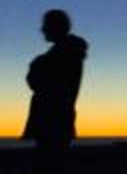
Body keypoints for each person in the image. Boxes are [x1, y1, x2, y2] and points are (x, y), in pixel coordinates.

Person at [22, 9, 88, 174]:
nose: (42, 29)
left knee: (49, 164)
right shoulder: (66, 52)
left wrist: (35, 65)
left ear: (54, 26)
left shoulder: (63, 54)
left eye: (45, 25)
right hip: (57, 120)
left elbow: (39, 83)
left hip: (52, 120)